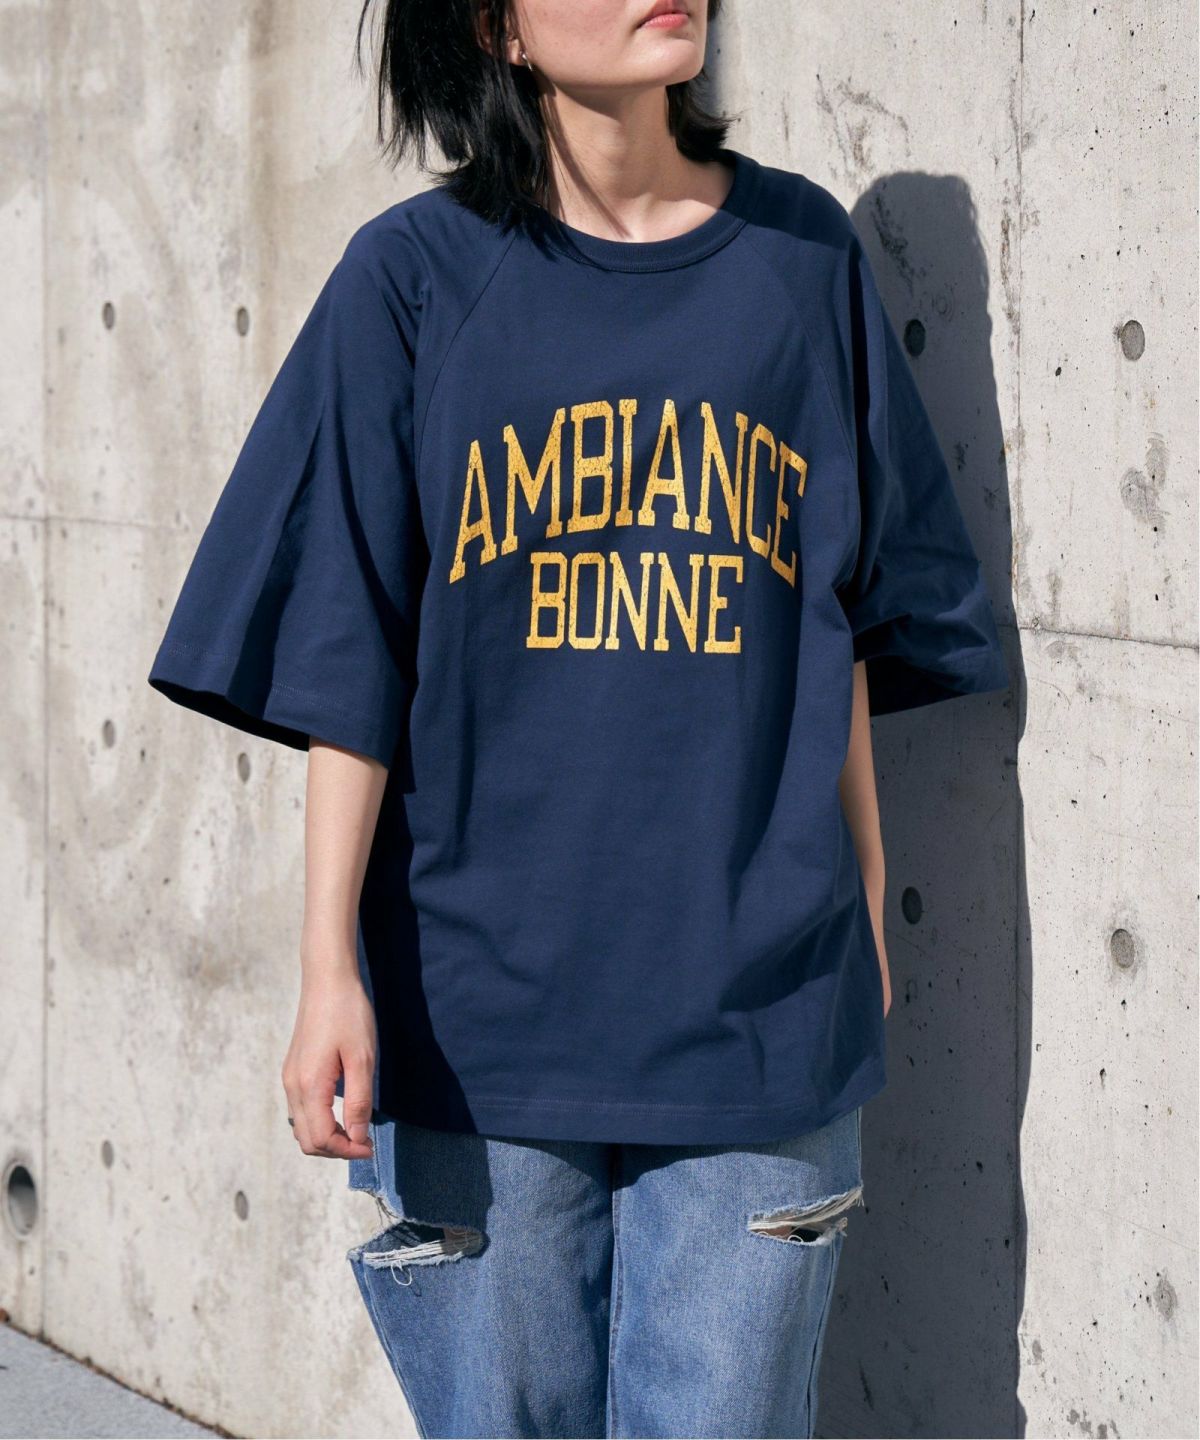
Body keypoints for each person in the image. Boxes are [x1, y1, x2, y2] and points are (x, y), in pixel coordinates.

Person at [147, 1, 1010, 1435]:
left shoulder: (799, 259)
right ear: (496, 25)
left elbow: (834, 609)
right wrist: (325, 969)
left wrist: (862, 890)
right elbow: (351, 647)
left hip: (755, 1017)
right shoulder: (413, 279)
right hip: (477, 1025)